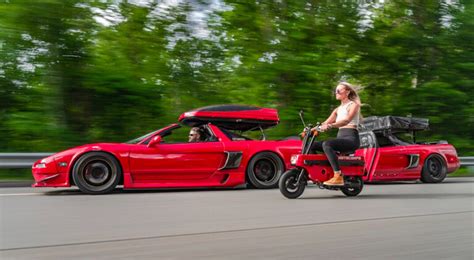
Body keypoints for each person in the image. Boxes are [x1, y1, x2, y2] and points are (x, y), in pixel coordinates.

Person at [311, 82, 362, 186]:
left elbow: (346, 121)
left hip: (351, 139)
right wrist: (310, 130)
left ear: (347, 92)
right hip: (341, 138)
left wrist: (330, 126)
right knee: (311, 145)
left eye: (339, 91)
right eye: (335, 91)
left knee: (327, 144)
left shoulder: (353, 105)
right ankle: (317, 171)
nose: (336, 93)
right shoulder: (337, 109)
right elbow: (325, 123)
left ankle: (338, 176)